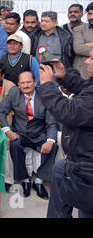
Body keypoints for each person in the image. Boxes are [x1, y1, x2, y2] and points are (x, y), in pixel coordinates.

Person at [38, 53, 93, 217]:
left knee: (87, 210)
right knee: (59, 169)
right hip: (79, 159)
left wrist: (47, 85)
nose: (86, 61)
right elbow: (86, 90)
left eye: (91, 58)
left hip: (88, 165)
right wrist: (64, 76)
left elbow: (69, 113)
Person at [0, 71, 58, 200]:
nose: (25, 85)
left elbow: (51, 122)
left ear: (35, 83)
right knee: (14, 144)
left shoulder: (44, 96)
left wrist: (50, 141)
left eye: (28, 82)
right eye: (22, 83)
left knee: (54, 145)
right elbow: (1, 111)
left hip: (40, 133)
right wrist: (8, 131)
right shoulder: (14, 93)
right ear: (18, 84)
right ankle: (25, 180)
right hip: (21, 133)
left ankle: (39, 181)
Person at [73, 2, 93, 79]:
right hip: (83, 74)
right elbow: (78, 48)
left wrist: (89, 44)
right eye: (89, 14)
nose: (91, 17)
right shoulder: (79, 29)